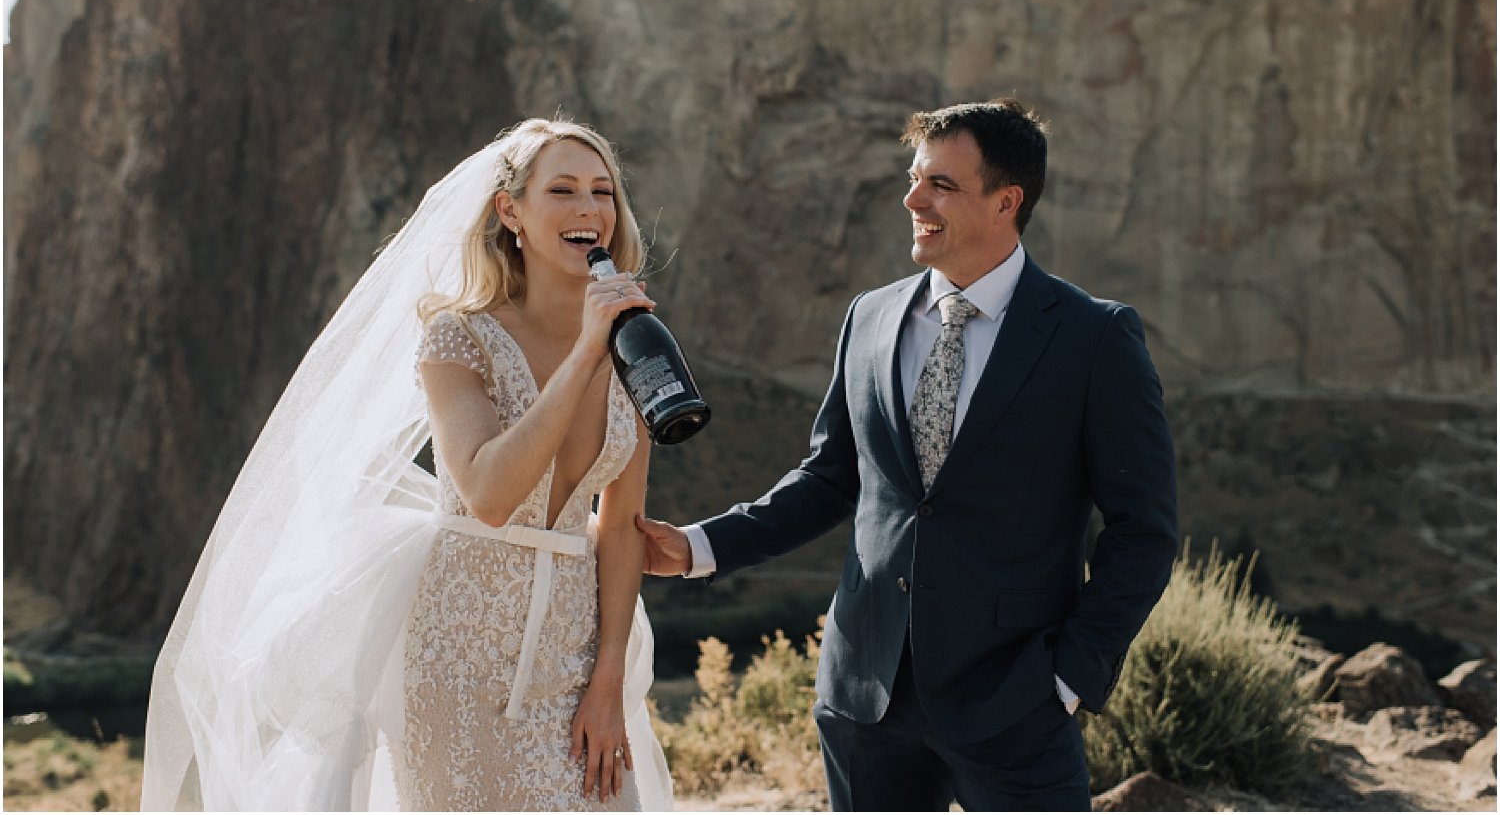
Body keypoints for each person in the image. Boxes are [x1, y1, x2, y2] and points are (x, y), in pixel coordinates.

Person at [637, 99, 1178, 811]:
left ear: (1006, 202)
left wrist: (1070, 678)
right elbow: (829, 479)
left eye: (941, 185)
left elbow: (1143, 530)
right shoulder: (870, 316)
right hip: (865, 699)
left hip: (1016, 705)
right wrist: (699, 547)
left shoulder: (1095, 337)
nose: (912, 199)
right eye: (914, 178)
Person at [142, 119, 674, 812]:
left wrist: (607, 684)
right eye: (563, 190)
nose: (589, 208)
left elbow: (621, 526)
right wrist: (584, 353)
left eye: (602, 192)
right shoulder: (459, 336)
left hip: (576, 659)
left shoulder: (635, 344)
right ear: (510, 211)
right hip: (458, 661)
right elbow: (489, 494)